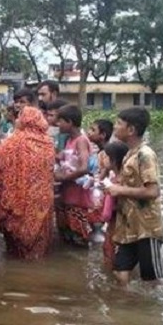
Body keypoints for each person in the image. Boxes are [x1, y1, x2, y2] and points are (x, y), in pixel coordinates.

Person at [105, 107, 163, 285]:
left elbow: (153, 191)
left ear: (131, 130)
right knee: (119, 273)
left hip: (147, 228)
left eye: (118, 123)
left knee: (152, 279)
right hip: (128, 227)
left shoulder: (145, 155)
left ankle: (153, 310)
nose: (115, 127)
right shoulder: (128, 155)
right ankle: (127, 308)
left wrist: (119, 190)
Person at [0, 106, 56, 260]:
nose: (16, 120)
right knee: (39, 239)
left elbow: (1, 166)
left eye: (19, 116)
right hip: (41, 199)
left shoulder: (13, 142)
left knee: (17, 243)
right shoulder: (48, 143)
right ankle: (36, 266)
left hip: (18, 200)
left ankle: (17, 269)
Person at [54, 104, 96, 247]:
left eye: (60, 121)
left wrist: (63, 178)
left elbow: (84, 168)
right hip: (67, 195)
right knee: (66, 236)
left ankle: (81, 268)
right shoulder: (68, 140)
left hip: (77, 197)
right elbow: (61, 158)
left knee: (79, 237)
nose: (57, 124)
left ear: (70, 122)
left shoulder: (81, 140)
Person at [98, 140, 129, 271]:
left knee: (113, 252)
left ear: (113, 160)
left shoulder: (118, 181)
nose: (102, 158)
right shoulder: (116, 178)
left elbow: (112, 210)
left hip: (117, 225)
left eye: (105, 156)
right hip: (116, 224)